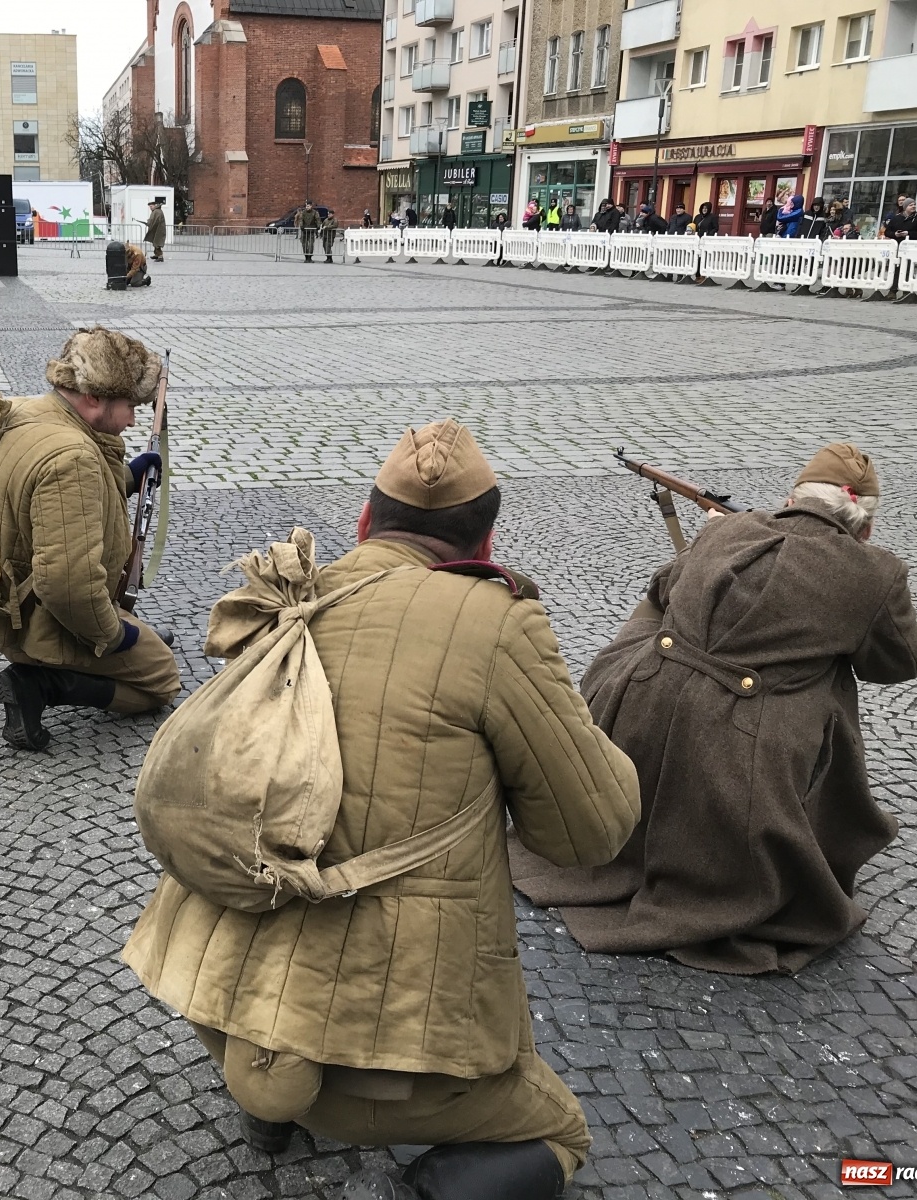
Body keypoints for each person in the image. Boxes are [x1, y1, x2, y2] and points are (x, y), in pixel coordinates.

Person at [124, 419, 640, 1200]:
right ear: (485, 544)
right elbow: (589, 832)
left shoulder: (292, 590)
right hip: (380, 1064)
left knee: (275, 1035)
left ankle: (266, 1107)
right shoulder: (496, 622)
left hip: (211, 991)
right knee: (560, 1130)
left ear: (365, 524)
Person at [512, 443, 917, 976]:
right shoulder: (876, 571)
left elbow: (664, 587)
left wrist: (716, 538)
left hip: (637, 698)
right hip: (741, 739)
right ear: (865, 526)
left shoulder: (729, 529)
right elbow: (898, 661)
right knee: (830, 676)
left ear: (791, 498)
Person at [0, 327, 181, 752]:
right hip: (41, 617)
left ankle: (113, 644)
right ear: (93, 398)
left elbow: (53, 504)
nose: (132, 419)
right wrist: (113, 636)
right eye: (129, 405)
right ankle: (40, 683)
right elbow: (67, 585)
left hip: (6, 596)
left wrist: (127, 475)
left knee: (136, 641)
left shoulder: (31, 414)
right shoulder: (73, 458)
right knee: (162, 680)